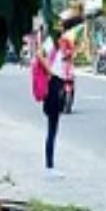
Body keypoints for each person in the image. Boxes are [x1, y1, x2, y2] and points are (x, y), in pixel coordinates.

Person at [30, 24, 67, 177]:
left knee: (53, 128)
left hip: (57, 85)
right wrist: (50, 72)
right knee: (52, 129)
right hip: (53, 87)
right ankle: (49, 167)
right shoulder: (51, 43)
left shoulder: (55, 45)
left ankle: (50, 166)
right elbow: (38, 54)